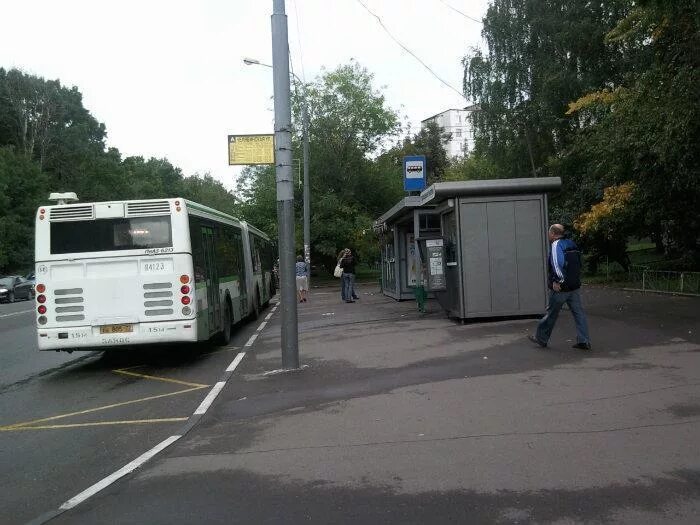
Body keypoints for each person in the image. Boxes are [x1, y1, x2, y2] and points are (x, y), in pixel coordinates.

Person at [528, 224, 592, 350]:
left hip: (561, 288)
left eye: (549, 233)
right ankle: (584, 340)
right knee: (579, 313)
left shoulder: (556, 245)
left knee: (551, 314)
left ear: (553, 233)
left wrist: (558, 281)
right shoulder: (571, 243)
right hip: (574, 286)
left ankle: (541, 338)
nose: (548, 235)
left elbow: (558, 263)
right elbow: (579, 263)